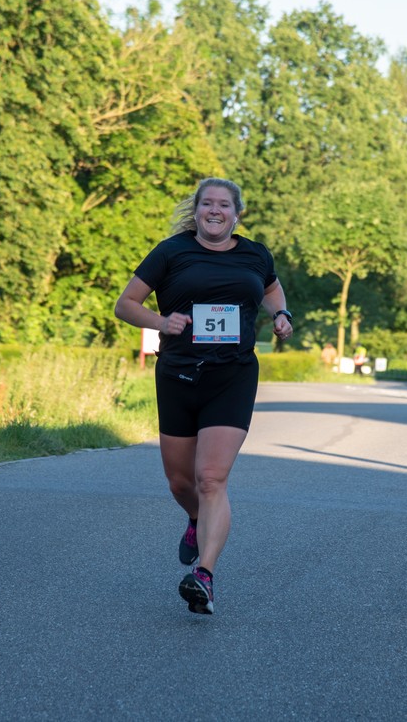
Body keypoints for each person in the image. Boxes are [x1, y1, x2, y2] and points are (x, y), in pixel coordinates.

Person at [114, 177, 292, 615]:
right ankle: (195, 519)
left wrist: (281, 313)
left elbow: (270, 288)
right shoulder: (172, 252)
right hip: (178, 374)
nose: (215, 211)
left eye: (224, 205)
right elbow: (125, 304)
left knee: (211, 478)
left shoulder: (255, 253)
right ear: (196, 211)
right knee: (181, 481)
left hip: (232, 376)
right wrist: (161, 322)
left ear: (237, 213)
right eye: (207, 204)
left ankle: (205, 576)